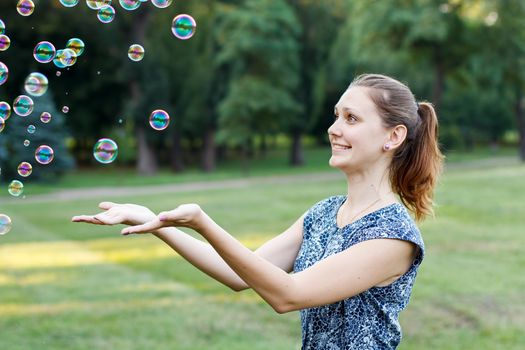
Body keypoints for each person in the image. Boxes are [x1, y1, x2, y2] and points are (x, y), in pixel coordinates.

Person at [72, 73, 444, 349]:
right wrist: (155, 221)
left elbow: (288, 295)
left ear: (393, 137)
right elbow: (237, 273)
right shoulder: (324, 213)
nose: (333, 128)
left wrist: (203, 221)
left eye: (351, 118)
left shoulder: (392, 235)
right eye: (336, 116)